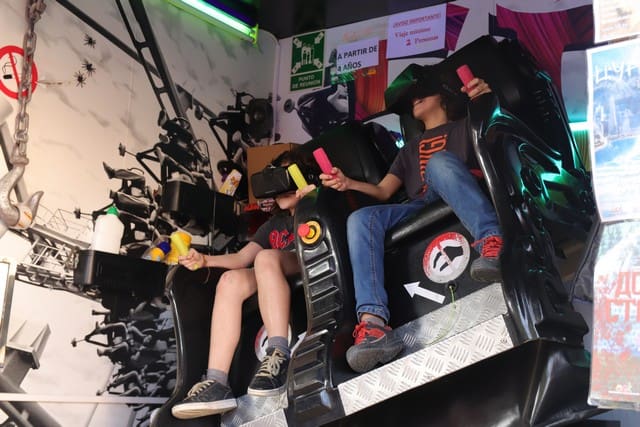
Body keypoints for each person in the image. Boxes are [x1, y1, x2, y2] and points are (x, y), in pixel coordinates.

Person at [320, 63, 503, 373]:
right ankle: (374, 325)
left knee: (438, 163)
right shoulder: (408, 151)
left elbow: (496, 138)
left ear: (443, 96)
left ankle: (493, 242)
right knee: (360, 219)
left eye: (422, 93)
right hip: (421, 201)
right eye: (411, 98)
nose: (415, 100)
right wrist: (348, 183)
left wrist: (486, 100)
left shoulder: (466, 123)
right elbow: (382, 192)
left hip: (460, 185)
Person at [171, 148, 318, 419]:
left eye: (286, 177)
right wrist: (205, 260)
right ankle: (217, 381)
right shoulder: (274, 224)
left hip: (307, 258)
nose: (279, 186)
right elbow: (241, 258)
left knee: (265, 258)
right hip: (271, 269)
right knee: (230, 280)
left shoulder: (318, 204)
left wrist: (313, 199)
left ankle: (278, 353)